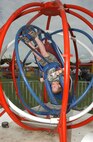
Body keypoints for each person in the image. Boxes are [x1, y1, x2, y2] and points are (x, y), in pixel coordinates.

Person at [20, 26, 64, 94]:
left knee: (37, 55)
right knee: (43, 53)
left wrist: (42, 77)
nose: (52, 86)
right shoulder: (61, 79)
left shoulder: (49, 81)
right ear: (59, 85)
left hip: (45, 65)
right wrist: (59, 71)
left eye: (52, 87)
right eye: (55, 87)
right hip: (53, 62)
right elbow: (63, 71)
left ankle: (28, 42)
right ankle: (35, 37)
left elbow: (44, 74)